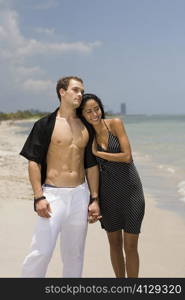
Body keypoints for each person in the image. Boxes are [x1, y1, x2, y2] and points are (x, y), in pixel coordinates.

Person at [20, 77, 101, 278]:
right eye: (75, 90)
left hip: (80, 195)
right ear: (62, 92)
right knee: (41, 251)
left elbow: (91, 165)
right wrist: (39, 197)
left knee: (75, 255)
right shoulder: (45, 124)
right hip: (53, 195)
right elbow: (33, 162)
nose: (80, 94)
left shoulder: (86, 126)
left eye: (82, 90)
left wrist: (94, 199)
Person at [77, 93, 145, 278]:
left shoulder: (115, 124)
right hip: (107, 195)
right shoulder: (86, 136)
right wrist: (93, 199)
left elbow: (127, 156)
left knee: (130, 245)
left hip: (131, 192)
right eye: (88, 111)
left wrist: (99, 153)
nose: (94, 114)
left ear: (101, 108)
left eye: (96, 109)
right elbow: (87, 170)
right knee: (114, 243)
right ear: (82, 114)